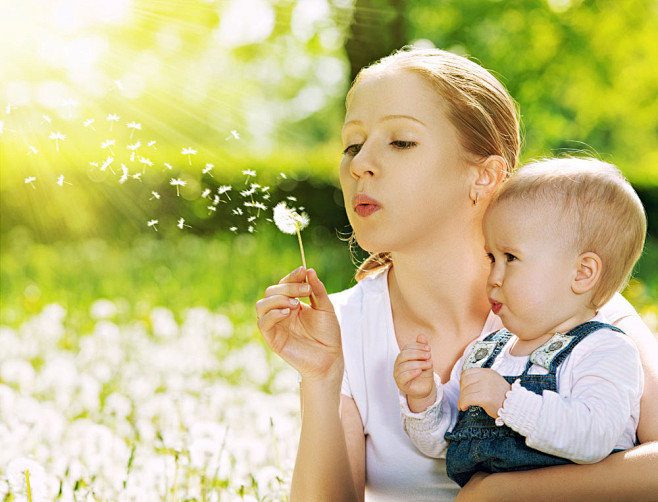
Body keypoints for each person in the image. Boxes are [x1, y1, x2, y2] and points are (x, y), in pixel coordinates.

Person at [255, 47, 658, 501]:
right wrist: (322, 379)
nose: (358, 164)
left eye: (401, 141)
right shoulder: (344, 329)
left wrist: (498, 495)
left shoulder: (576, 308)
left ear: (484, 176)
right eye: (352, 144)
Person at [394, 158, 645, 487]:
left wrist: (508, 401)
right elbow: (444, 444)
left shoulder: (605, 349)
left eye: (511, 258)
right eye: (491, 257)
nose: (494, 276)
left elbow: (594, 436)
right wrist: (424, 399)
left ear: (582, 273)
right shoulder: (486, 353)